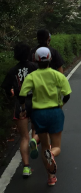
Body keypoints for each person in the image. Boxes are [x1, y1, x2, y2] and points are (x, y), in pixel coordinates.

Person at [19, 47, 72, 186]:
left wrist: (24, 109)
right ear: (50, 59)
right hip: (55, 111)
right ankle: (53, 155)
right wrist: (60, 105)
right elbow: (67, 94)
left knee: (44, 147)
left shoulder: (31, 76)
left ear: (35, 60)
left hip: (38, 114)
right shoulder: (57, 75)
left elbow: (22, 95)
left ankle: (50, 177)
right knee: (56, 146)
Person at [1, 42, 39, 177]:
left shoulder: (13, 70)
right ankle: (35, 140)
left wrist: (11, 94)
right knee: (37, 129)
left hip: (20, 105)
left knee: (23, 137)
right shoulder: (35, 67)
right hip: (35, 102)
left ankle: (26, 168)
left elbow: (5, 87)